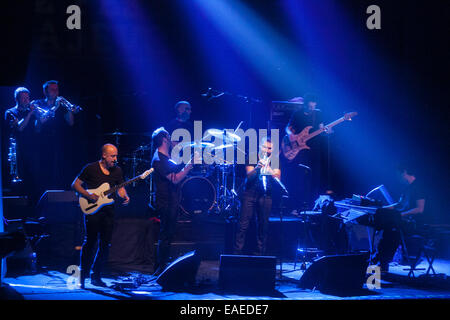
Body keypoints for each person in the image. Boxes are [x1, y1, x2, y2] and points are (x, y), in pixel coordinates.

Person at [71, 144, 130, 288]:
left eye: (116, 156)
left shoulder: (117, 171)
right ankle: (82, 276)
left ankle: (96, 276)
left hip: (108, 211)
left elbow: (120, 188)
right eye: (112, 156)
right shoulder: (90, 168)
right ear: (104, 155)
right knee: (90, 242)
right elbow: (75, 185)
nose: (115, 159)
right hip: (92, 210)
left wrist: (125, 196)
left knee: (105, 245)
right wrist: (88, 195)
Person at [151, 127, 197, 275]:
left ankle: (162, 265)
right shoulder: (159, 159)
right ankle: (160, 268)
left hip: (172, 200)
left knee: (168, 234)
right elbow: (175, 179)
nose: (172, 138)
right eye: (169, 137)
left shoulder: (166, 157)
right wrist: (189, 166)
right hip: (166, 201)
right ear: (164, 139)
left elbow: (175, 167)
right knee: (165, 234)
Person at [373, 163, 426, 272]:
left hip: (415, 223)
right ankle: (380, 260)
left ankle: (382, 262)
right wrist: (382, 208)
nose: (397, 177)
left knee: (392, 231)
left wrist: (399, 215)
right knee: (388, 225)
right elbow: (398, 205)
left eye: (398, 174)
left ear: (405, 172)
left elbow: (420, 209)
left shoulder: (418, 187)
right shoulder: (407, 189)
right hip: (402, 221)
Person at [234, 137, 281, 256]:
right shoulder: (252, 157)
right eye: (265, 147)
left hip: (266, 195)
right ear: (260, 146)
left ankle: (259, 254)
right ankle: (237, 253)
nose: (267, 150)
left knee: (263, 225)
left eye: (269, 148)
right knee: (243, 225)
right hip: (249, 194)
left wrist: (268, 167)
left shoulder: (275, 160)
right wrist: (257, 167)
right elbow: (249, 176)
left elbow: (277, 178)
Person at [281, 93, 328, 212]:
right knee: (300, 177)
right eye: (309, 106)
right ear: (305, 104)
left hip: (314, 149)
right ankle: (295, 206)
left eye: (313, 106)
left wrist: (326, 131)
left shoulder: (319, 113)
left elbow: (322, 128)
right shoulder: (297, 113)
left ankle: (311, 206)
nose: (311, 108)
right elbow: (288, 128)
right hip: (300, 149)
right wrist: (291, 135)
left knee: (313, 177)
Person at [34, 80, 77, 190]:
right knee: (46, 169)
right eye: (52, 89)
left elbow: (71, 122)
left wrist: (69, 108)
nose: (56, 92)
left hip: (60, 141)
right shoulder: (38, 103)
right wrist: (56, 107)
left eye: (57, 89)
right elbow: (42, 120)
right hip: (43, 142)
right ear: (45, 91)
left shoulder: (62, 105)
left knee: (61, 169)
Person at [4, 87, 44, 206]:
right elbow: (20, 128)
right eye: (24, 98)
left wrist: (38, 118)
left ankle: (35, 210)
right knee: (21, 182)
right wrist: (30, 113)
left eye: (28, 98)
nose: (27, 100)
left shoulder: (31, 112)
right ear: (17, 99)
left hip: (33, 150)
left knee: (35, 181)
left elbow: (38, 129)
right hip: (18, 152)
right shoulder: (10, 112)